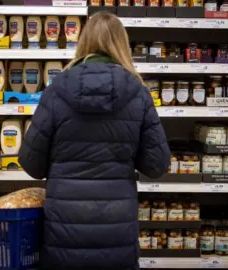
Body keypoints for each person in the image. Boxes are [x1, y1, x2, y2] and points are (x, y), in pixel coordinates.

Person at [18, 12, 170, 270]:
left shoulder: (56, 90)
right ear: (122, 44)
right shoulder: (138, 93)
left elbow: (32, 164)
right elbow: (157, 165)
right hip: (117, 229)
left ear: (83, 41)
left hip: (64, 232)